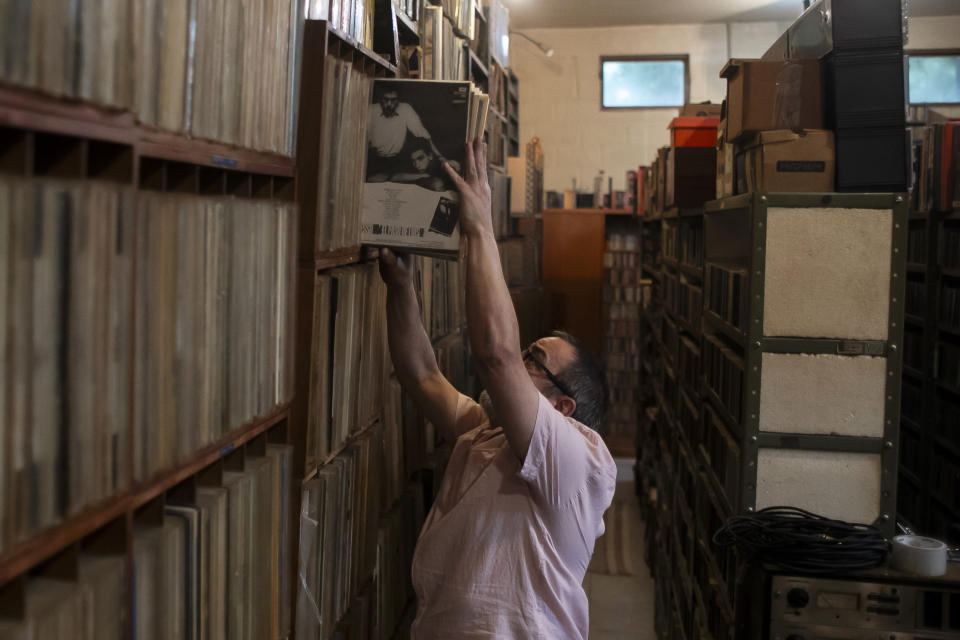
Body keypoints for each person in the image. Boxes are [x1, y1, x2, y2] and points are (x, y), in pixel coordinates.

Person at [379, 138, 617, 639]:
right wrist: (401, 288)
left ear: (562, 406)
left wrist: (480, 226)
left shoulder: (577, 459)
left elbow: (495, 356)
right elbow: (421, 374)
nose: (518, 361)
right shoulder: (486, 434)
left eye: (534, 360)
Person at [367, 86, 455, 183]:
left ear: (398, 101)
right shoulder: (371, 110)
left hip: (396, 159)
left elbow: (424, 135)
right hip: (373, 158)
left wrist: (440, 157)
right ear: (380, 99)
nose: (389, 104)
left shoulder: (405, 109)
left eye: (393, 100)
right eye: (385, 99)